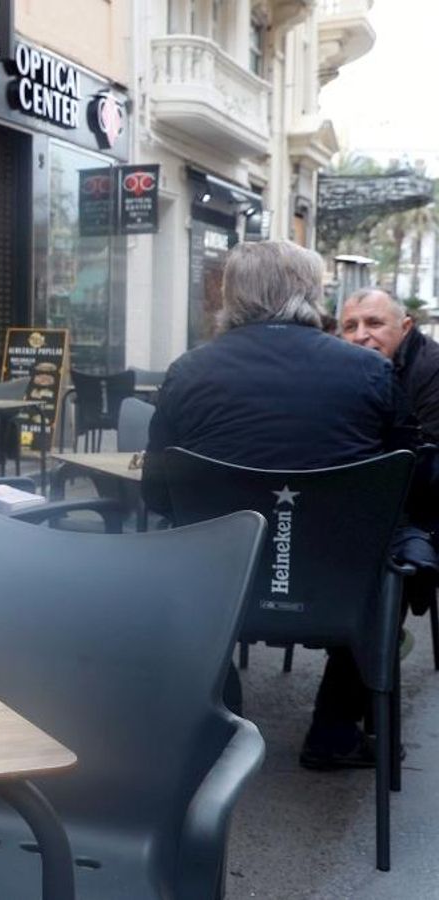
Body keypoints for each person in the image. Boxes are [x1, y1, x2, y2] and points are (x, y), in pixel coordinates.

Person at [141, 241, 417, 771]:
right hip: (337, 591)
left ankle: (218, 721)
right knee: (379, 565)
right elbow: (400, 490)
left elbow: (157, 493)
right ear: (312, 295)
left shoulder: (187, 372)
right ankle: (335, 733)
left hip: (217, 591)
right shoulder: (371, 373)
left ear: (230, 297)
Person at [340, 287, 439, 441]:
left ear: (405, 327)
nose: (360, 336)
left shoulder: (431, 369)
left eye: (374, 324)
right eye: (350, 327)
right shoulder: (338, 369)